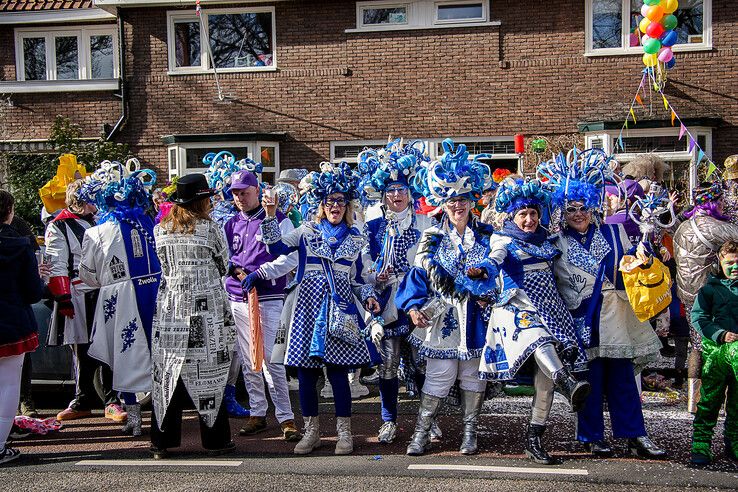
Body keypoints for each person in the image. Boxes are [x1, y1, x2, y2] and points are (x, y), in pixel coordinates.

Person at [543, 149, 666, 459]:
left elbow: (633, 264)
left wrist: (644, 258)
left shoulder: (614, 231)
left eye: (583, 207)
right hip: (582, 320)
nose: (578, 214)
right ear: (563, 211)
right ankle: (591, 435)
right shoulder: (556, 243)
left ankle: (635, 435)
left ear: (593, 206)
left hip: (618, 317)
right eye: (571, 209)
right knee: (590, 381)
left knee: (623, 380)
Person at [260, 162, 381, 456]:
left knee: (338, 373)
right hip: (306, 309)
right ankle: (311, 431)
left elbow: (358, 280)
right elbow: (274, 247)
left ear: (348, 205)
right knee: (305, 374)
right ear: (321, 204)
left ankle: (344, 434)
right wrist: (270, 215)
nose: (335, 206)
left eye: (341, 201)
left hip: (339, 310)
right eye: (330, 201)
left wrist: (368, 297)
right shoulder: (306, 231)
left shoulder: (356, 239)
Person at [476, 177, 590, 465]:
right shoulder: (503, 239)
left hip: (551, 311)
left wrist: (576, 313)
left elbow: (563, 280)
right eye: (523, 215)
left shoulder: (550, 241)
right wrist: (484, 270)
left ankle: (534, 439)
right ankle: (567, 381)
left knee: (544, 384)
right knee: (538, 338)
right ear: (512, 216)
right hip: (517, 311)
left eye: (533, 214)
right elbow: (495, 259)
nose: (528, 220)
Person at [396, 139, 493, 457]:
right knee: (439, 377)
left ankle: (470, 433)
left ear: (472, 200)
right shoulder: (432, 237)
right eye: (451, 200)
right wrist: (412, 308)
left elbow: (500, 276)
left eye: (463, 199)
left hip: (478, 320)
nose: (457, 205)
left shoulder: (488, 237)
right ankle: (421, 433)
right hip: (443, 320)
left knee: (472, 378)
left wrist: (487, 293)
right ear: (442, 203)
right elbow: (416, 276)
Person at [149, 173, 237, 458]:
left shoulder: (160, 230)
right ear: (201, 201)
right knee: (210, 374)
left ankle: (161, 442)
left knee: (168, 374)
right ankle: (215, 440)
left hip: (171, 308)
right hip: (206, 309)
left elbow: (163, 265)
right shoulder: (211, 229)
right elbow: (223, 264)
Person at [78, 162, 161, 436]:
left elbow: (87, 275)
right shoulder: (150, 223)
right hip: (156, 291)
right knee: (158, 352)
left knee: (125, 352)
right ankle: (162, 415)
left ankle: (134, 419)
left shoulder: (95, 233)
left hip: (119, 295)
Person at [359, 140, 433, 444]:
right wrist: (375, 274)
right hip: (387, 300)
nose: (396, 195)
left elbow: (431, 261)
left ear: (411, 192)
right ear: (382, 193)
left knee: (422, 362)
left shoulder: (425, 222)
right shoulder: (372, 225)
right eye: (390, 190)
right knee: (388, 365)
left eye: (401, 190)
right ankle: (388, 420)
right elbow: (363, 262)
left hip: (417, 298)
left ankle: (427, 419)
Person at [223, 169, 300, 441]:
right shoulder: (230, 223)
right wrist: (234, 272)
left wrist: (260, 273)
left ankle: (286, 417)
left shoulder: (279, 220)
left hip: (269, 297)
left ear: (257, 190)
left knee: (272, 358)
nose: (240, 197)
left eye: (245, 191)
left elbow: (291, 259)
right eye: (235, 193)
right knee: (249, 359)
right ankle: (257, 412)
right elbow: (226, 258)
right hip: (239, 298)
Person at [45, 179, 126, 423]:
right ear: (80, 201)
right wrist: (63, 296)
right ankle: (82, 399)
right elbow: (55, 263)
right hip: (79, 293)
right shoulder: (59, 226)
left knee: (109, 345)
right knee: (83, 348)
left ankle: (112, 400)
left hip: (106, 289)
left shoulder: (103, 219)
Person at [673, 181, 738, 413]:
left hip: (688, 295)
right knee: (725, 344)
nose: (723, 205)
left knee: (697, 345)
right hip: (713, 297)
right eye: (720, 201)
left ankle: (695, 401)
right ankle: (722, 401)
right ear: (712, 202)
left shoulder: (683, 226)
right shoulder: (714, 227)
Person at [0, 190, 45, 465]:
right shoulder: (19, 245)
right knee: (7, 386)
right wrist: (39, 279)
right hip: (12, 322)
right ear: (8, 213)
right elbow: (33, 294)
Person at [689, 240, 738, 466]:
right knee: (709, 400)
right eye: (730, 262)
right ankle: (701, 442)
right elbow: (699, 318)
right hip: (716, 352)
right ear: (720, 261)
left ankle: (734, 441)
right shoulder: (709, 289)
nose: (734, 267)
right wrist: (719, 334)